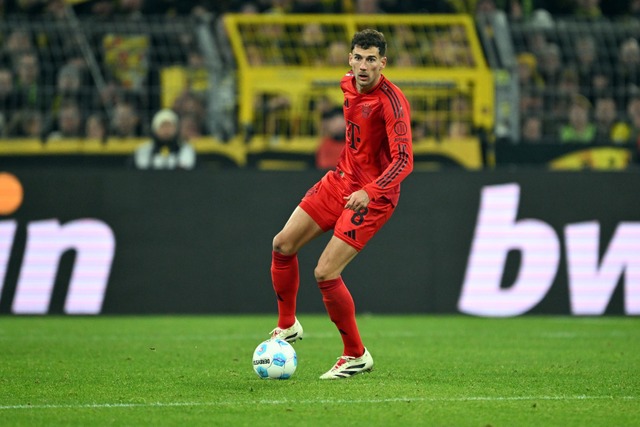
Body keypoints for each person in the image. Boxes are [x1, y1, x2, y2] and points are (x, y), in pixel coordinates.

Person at [268, 29, 413, 379]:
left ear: (383, 63)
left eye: (371, 60)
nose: (364, 66)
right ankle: (287, 325)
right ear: (350, 59)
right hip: (340, 180)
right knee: (283, 244)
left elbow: (404, 160)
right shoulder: (347, 83)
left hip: (372, 196)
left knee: (325, 272)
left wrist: (371, 191)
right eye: (358, 58)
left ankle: (356, 355)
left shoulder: (391, 102)